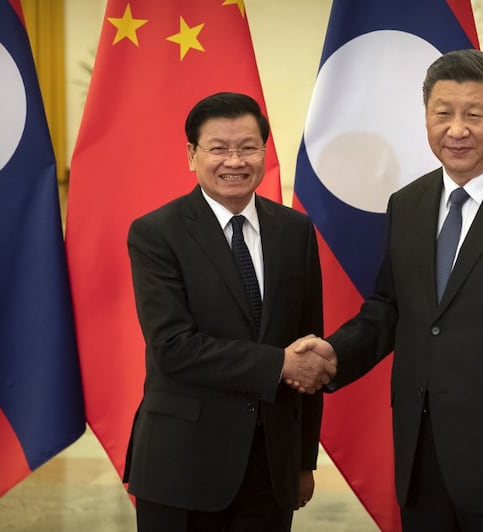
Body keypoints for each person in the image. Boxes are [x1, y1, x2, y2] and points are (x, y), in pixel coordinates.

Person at [292, 50, 483, 531]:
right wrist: (334, 354)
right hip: (423, 457)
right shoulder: (408, 204)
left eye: (473, 115)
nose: (456, 129)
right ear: (426, 116)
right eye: (443, 113)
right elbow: (389, 310)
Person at [123, 92, 334, 532]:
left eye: (248, 147)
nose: (234, 161)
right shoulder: (157, 233)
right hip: (182, 464)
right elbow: (172, 348)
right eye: (218, 148)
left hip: (270, 466)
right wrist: (279, 363)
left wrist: (302, 459)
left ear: (264, 152)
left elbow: (308, 346)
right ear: (192, 155)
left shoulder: (295, 231)